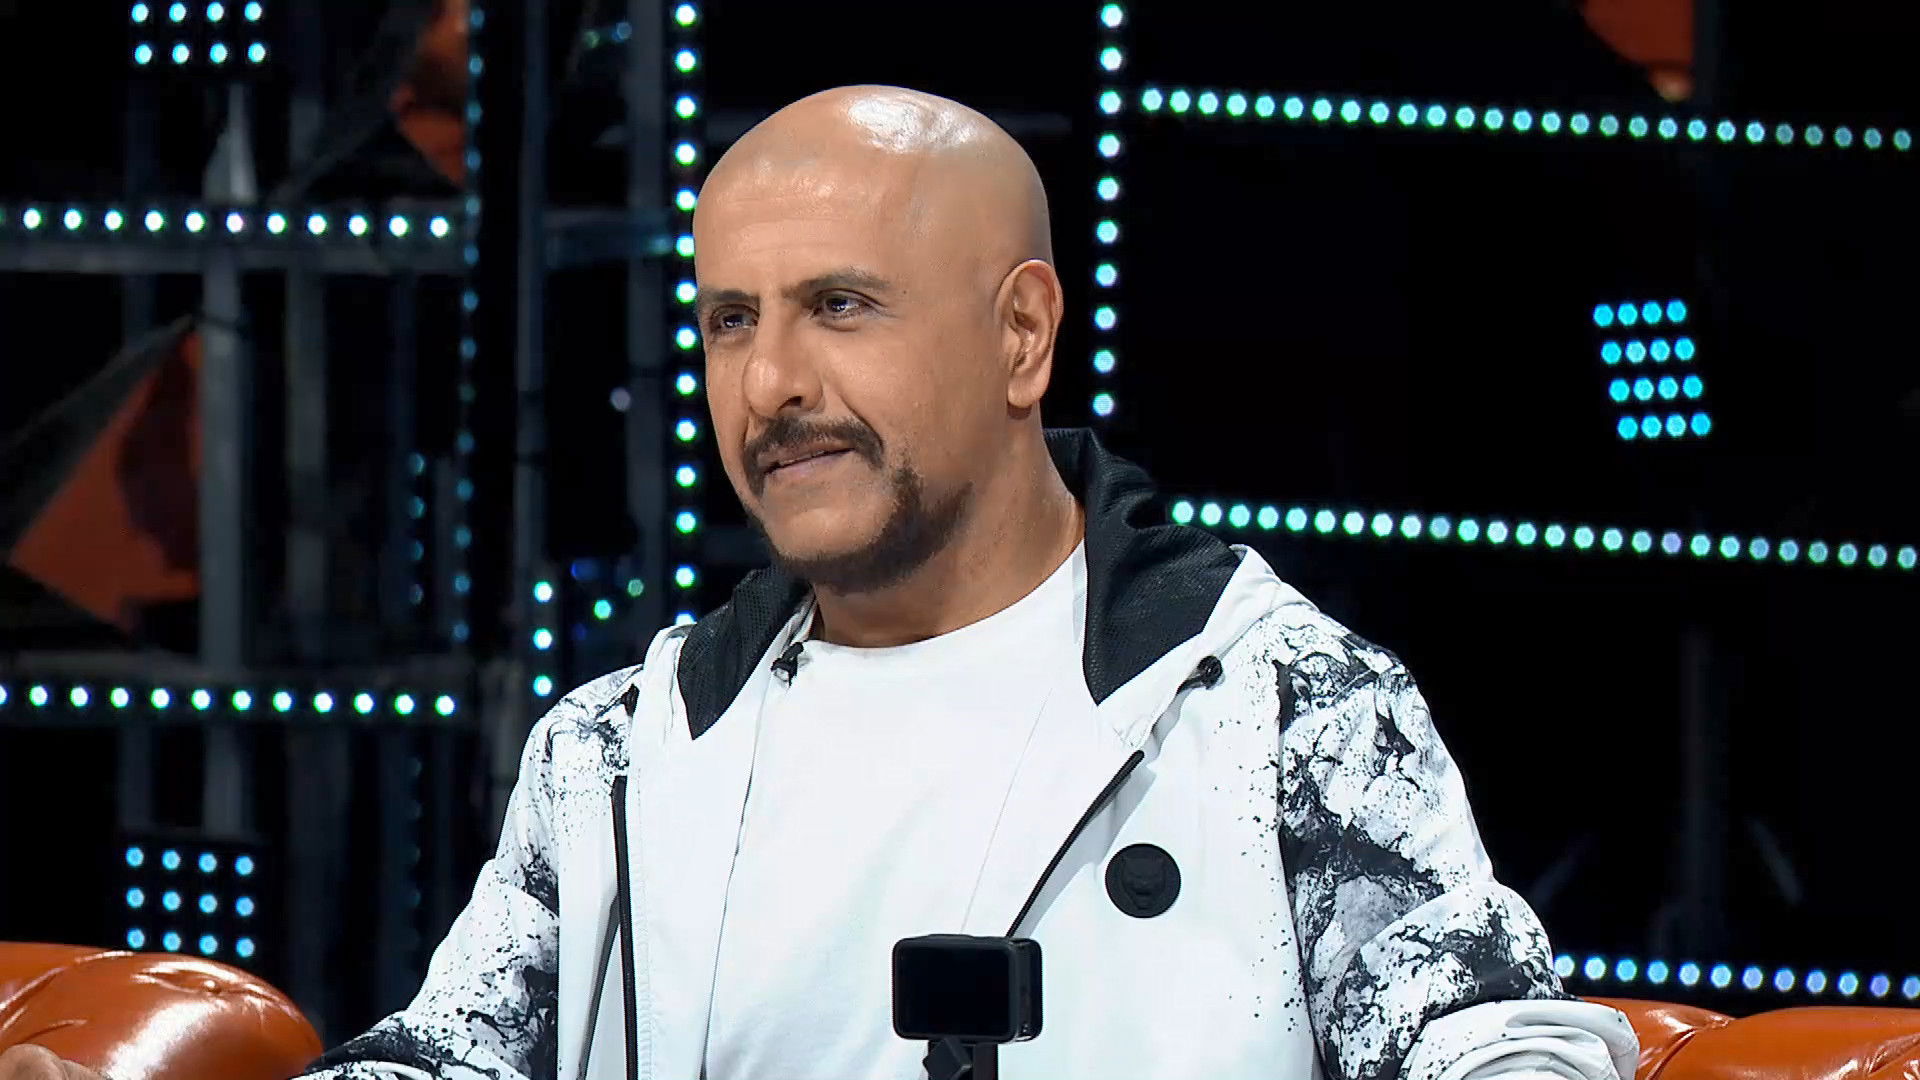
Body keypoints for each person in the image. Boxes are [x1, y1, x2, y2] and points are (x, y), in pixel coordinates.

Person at [0, 85, 1637, 1080]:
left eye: (841, 307)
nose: (771, 382)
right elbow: (450, 1058)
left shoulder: (1275, 701)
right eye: (731, 320)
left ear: (1021, 335)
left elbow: (1488, 1039)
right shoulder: (620, 750)